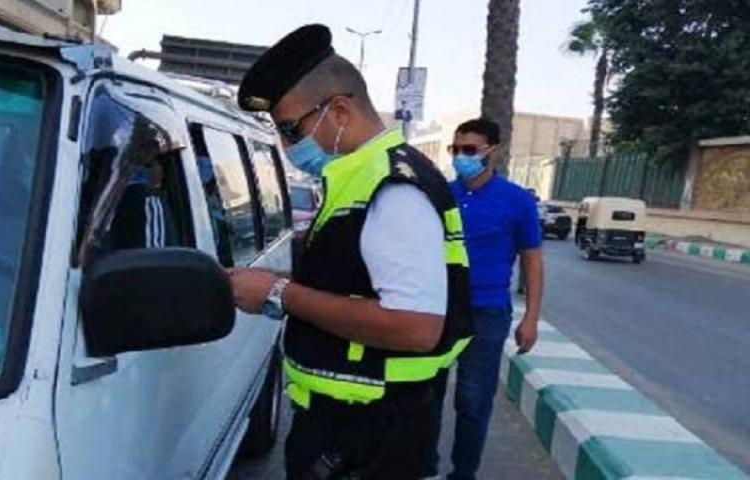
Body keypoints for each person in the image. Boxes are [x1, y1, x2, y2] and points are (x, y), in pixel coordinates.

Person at [229, 24, 472, 479]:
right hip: (352, 425)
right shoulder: (362, 177)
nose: (287, 145)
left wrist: (279, 294)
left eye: (290, 129)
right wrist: (279, 286)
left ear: (339, 111)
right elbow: (352, 281)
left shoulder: (393, 188)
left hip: (369, 438)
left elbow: (416, 327)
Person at [429, 118, 544, 480]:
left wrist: (531, 319)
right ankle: (424, 468)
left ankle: (463, 474)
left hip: (487, 313)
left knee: (473, 400)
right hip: (438, 310)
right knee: (425, 394)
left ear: (492, 152)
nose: (460, 157)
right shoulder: (440, 194)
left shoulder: (517, 201)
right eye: (455, 149)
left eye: (469, 150)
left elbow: (532, 260)